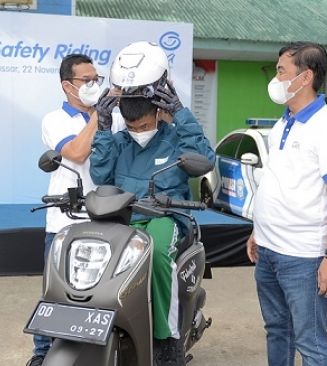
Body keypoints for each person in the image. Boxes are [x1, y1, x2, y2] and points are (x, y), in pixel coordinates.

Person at [90, 41, 214, 365]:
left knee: (156, 253)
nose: (137, 131)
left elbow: (206, 159)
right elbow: (100, 177)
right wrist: (103, 128)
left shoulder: (175, 138)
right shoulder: (117, 142)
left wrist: (181, 113)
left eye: (143, 125)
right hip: (125, 220)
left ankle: (166, 341)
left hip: (167, 218)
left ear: (159, 112)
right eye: (130, 126)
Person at [246, 42, 327, 366]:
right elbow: (281, 183)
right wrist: (257, 231)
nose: (275, 78)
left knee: (311, 342)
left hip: (303, 258)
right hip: (269, 251)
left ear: (305, 77)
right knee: (277, 330)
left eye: (281, 71)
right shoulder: (283, 121)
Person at [26, 54, 123, 366]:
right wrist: (99, 114)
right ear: (68, 86)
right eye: (87, 80)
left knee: (102, 289)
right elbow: (77, 153)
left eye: (98, 79)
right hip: (65, 220)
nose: (94, 84)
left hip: (108, 216)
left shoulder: (115, 118)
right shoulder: (54, 120)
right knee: (56, 292)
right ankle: (42, 354)